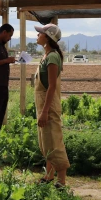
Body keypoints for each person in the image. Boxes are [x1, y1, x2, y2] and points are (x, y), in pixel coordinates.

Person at [34, 23, 70, 187]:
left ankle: (61, 181)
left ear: (47, 38)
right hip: (42, 104)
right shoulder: (46, 55)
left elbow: (52, 87)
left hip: (48, 105)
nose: (37, 35)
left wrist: (45, 111)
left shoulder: (53, 57)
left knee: (54, 141)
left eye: (40, 33)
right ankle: (48, 175)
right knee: (46, 141)